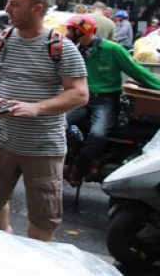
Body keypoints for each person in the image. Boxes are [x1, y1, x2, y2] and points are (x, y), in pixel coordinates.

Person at [0, 0, 88, 241]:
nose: (6, 9)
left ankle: (32, 261)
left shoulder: (61, 47)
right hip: (2, 140)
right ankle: (4, 234)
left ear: (37, 9)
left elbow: (80, 93)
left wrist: (37, 108)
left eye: (14, 4)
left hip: (44, 146)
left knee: (44, 217)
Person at [62, 14, 160, 186]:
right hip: (79, 98)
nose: (67, 33)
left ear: (81, 32)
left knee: (98, 134)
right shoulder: (73, 50)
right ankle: (82, 155)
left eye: (71, 29)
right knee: (58, 125)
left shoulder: (112, 49)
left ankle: (78, 167)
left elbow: (138, 72)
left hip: (105, 100)